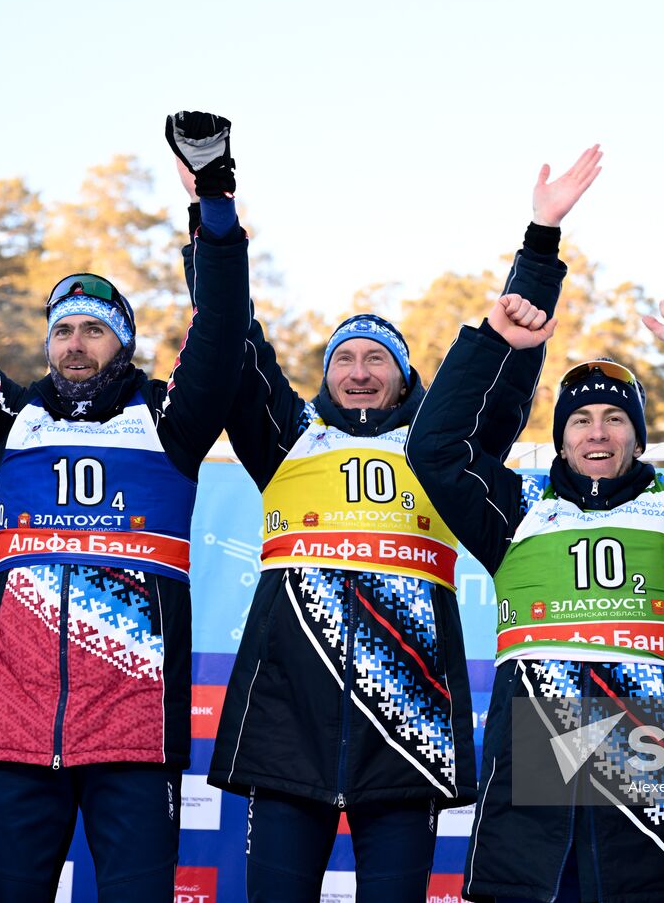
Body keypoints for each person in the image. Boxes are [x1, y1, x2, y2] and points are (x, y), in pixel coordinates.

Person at [0, 109, 250, 901]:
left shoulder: (168, 423)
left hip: (135, 739)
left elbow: (222, 327)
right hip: (20, 734)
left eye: (94, 331)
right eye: (63, 328)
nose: (74, 342)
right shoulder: (14, 422)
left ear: (123, 345)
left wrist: (215, 200)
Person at [195, 145, 598, 901]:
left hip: (405, 733)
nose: (357, 370)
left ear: (405, 375)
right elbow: (230, 334)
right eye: (343, 357)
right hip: (287, 728)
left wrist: (540, 242)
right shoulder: (289, 439)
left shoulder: (439, 451)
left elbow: (504, 366)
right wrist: (212, 219)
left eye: (375, 358)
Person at [404, 160, 664, 901]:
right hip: (532, 820)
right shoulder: (516, 513)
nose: (596, 433)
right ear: (561, 436)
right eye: (580, 419)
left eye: (614, 419)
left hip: (651, 817)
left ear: (637, 436)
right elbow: (433, 450)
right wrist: (494, 336)